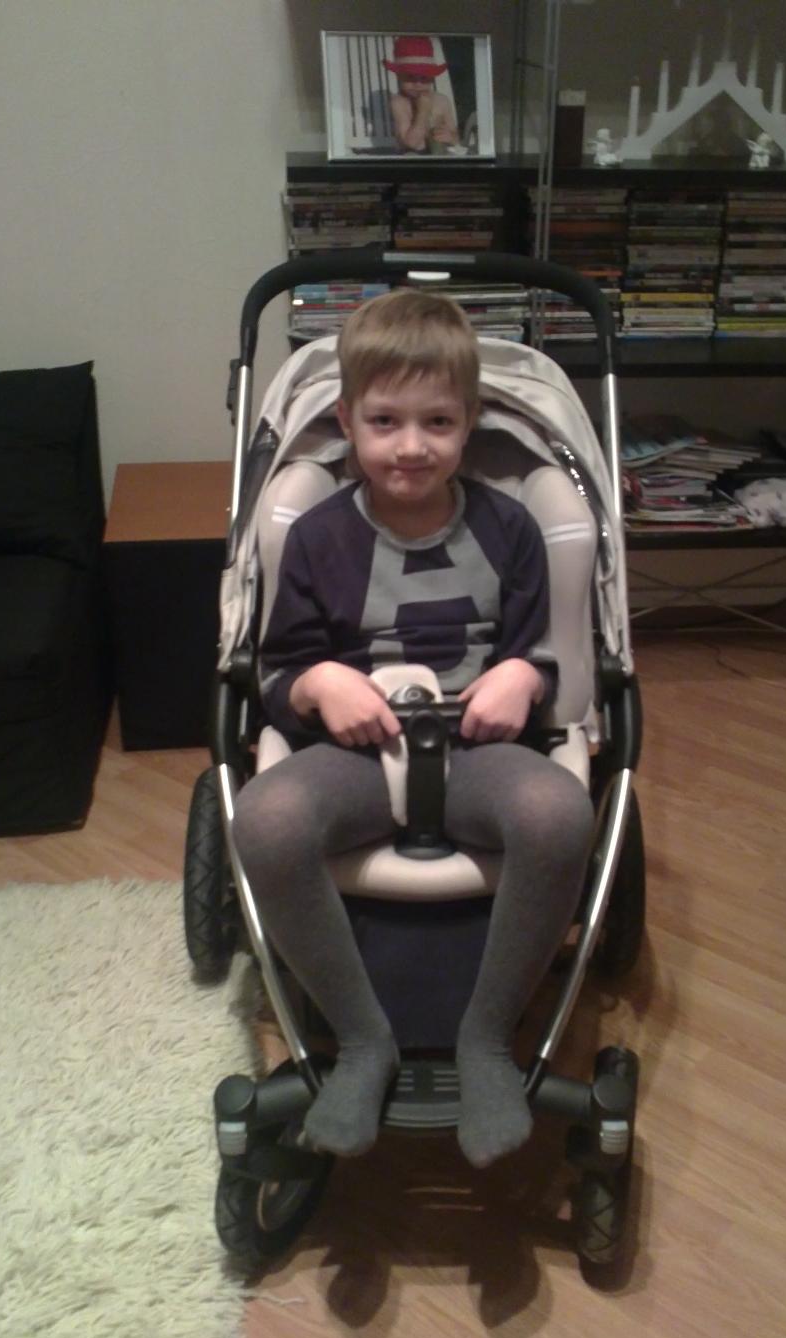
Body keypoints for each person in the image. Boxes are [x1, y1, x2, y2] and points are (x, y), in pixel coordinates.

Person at [231, 290, 594, 1168]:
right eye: (385, 422)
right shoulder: (318, 537)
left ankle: (486, 1035)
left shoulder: (509, 528)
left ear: (470, 424)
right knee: (265, 823)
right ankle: (363, 1038)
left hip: (477, 749)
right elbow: (276, 674)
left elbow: (542, 657)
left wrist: (523, 675)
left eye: (438, 422)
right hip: (356, 752)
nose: (411, 446)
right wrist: (321, 681)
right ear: (347, 422)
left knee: (560, 818)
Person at [383, 35, 459, 153]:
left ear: (432, 78)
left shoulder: (442, 101)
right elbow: (412, 144)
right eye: (410, 77)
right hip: (409, 157)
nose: (418, 84)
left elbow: (455, 135)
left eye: (424, 78)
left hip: (439, 155)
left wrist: (451, 138)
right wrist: (423, 111)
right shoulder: (399, 102)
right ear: (399, 77)